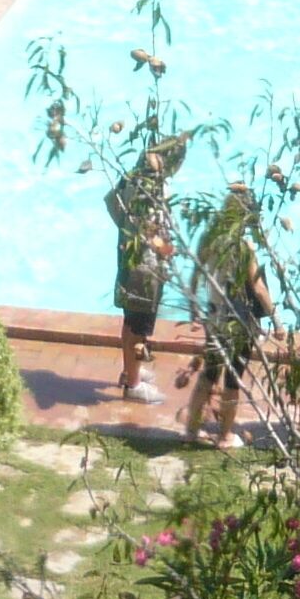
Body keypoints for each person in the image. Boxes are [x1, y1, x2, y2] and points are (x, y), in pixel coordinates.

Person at [105, 130, 191, 405]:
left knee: (131, 320)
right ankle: (133, 385)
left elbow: (110, 201)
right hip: (145, 268)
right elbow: (154, 231)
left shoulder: (130, 179)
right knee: (138, 325)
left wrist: (126, 228)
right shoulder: (155, 190)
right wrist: (168, 251)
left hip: (129, 258)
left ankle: (130, 370)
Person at [184, 181, 271, 448]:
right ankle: (224, 436)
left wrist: (194, 308)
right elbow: (256, 286)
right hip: (239, 317)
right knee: (233, 377)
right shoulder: (243, 247)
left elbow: (196, 275)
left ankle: (191, 430)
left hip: (215, 313)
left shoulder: (208, 237)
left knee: (209, 373)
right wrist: (274, 315)